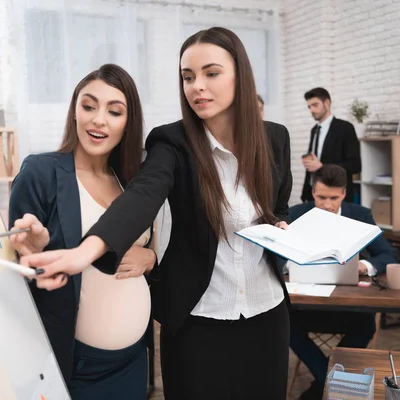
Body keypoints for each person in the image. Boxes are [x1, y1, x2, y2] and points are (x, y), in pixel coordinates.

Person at [21, 27, 293, 400]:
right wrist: (83, 253)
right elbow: (141, 197)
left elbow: (277, 206)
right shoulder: (172, 142)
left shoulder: (275, 138)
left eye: (210, 73)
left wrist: (280, 224)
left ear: (239, 76)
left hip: (267, 315)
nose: (197, 86)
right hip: (199, 320)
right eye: (188, 76)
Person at [8, 64, 157, 400]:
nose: (98, 119)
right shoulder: (41, 172)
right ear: (74, 111)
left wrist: (150, 256)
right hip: (77, 367)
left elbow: (148, 244)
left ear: (127, 123)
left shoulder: (130, 181)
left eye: (114, 111)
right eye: (88, 106)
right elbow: (18, 267)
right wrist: (30, 249)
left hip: (134, 360)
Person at [288, 164, 397, 400]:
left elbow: (387, 255)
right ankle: (333, 384)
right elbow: (276, 256)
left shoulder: (360, 215)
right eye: (321, 197)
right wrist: (289, 262)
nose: (327, 204)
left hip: (348, 308)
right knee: (283, 324)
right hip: (307, 305)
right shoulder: (295, 214)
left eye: (334, 198)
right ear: (312, 191)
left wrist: (363, 266)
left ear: (344, 194)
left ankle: (320, 386)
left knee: (367, 325)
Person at [301, 87, 360, 203]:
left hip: (336, 195)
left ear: (326, 103)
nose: (311, 110)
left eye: (315, 105)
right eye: (309, 107)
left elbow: (355, 165)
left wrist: (322, 166)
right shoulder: (314, 130)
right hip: (314, 195)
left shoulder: (345, 128)